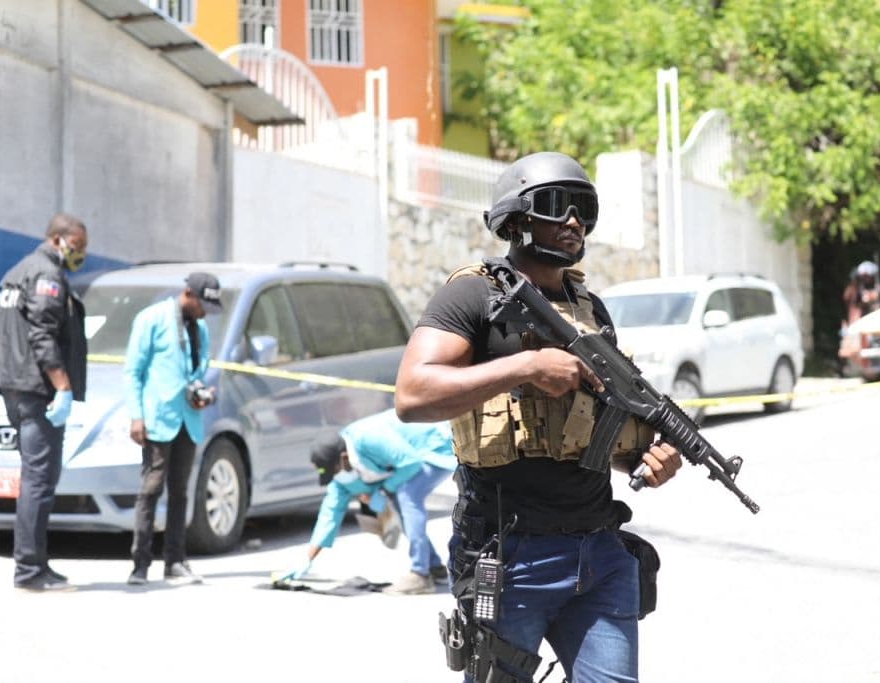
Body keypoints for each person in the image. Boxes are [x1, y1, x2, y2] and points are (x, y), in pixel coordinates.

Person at [394, 151, 683, 682]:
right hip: (512, 558)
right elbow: (412, 395)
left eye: (582, 208)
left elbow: (594, 433)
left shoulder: (591, 309)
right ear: (517, 218)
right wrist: (526, 366)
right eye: (556, 206)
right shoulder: (474, 294)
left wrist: (647, 459)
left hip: (599, 551)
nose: (572, 221)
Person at [0, 213, 89, 591]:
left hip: (15, 387)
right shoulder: (45, 275)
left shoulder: (18, 270)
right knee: (39, 481)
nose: (82, 254)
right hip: (36, 390)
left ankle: (35, 564)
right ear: (59, 240)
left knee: (36, 478)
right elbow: (42, 335)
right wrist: (62, 385)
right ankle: (30, 570)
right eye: (79, 246)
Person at [276, 408, 457, 595]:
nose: (336, 477)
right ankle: (434, 567)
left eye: (335, 471)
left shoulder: (367, 438)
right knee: (399, 498)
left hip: (433, 447)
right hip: (411, 461)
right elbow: (329, 515)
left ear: (344, 458)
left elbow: (410, 462)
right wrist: (308, 559)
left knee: (406, 495)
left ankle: (420, 575)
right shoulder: (341, 478)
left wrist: (385, 488)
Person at [123, 272, 223, 586]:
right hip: (157, 418)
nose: (206, 311)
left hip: (188, 419)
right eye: (203, 304)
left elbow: (198, 369)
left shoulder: (200, 327)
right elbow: (133, 371)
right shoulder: (151, 319)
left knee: (180, 492)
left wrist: (201, 394)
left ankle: (175, 561)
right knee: (150, 490)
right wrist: (136, 416)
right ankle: (140, 564)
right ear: (189, 294)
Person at [842, 260, 880, 329]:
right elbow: (855, 301)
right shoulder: (853, 289)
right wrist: (868, 298)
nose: (869, 278)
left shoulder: (865, 286)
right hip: (857, 322)